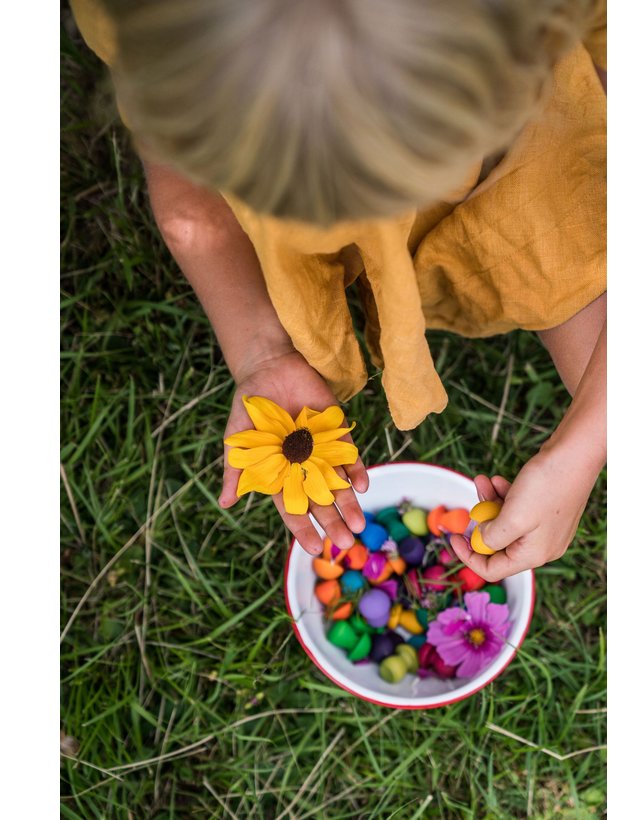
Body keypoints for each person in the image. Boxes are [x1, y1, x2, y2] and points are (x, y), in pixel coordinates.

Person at [69, 0, 607, 582]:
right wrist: (261, 348)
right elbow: (192, 215)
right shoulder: (173, 44)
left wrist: (581, 449)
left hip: (528, 162)